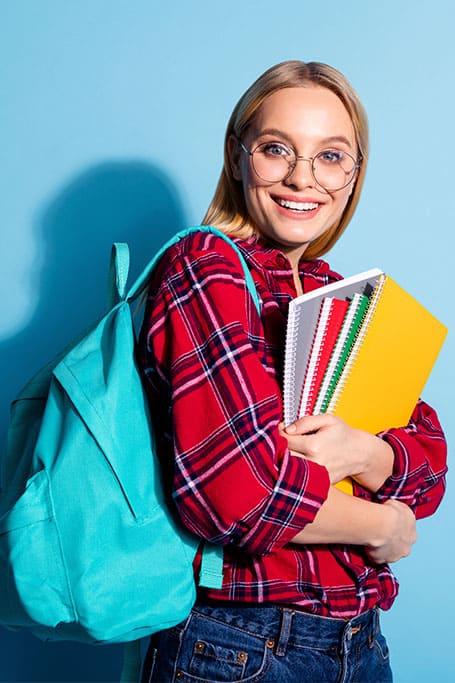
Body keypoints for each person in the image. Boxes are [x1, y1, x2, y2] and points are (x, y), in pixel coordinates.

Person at [137, 60, 447, 682]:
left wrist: (360, 452)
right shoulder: (206, 266)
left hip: (358, 641)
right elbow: (235, 499)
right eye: (277, 149)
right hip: (237, 645)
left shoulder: (343, 293)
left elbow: (431, 466)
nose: (303, 178)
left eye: (331, 157)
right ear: (237, 155)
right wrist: (383, 523)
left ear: (355, 173)